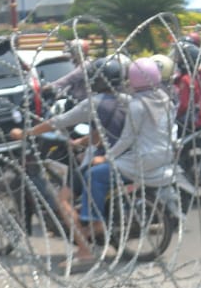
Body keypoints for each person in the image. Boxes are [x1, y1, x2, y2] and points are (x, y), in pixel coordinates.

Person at [9, 56, 128, 261]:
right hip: (125, 157)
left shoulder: (95, 103)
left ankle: (84, 250)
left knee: (63, 199)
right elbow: (107, 132)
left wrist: (26, 133)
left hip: (102, 158)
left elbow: (58, 121)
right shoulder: (128, 100)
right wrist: (82, 141)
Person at [81, 56, 175, 245]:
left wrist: (106, 158)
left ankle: (95, 220)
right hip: (165, 156)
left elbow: (127, 139)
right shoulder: (166, 101)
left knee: (94, 175)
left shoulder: (137, 105)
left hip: (142, 159)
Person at [171, 41, 201, 136]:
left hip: (194, 119)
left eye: (179, 57)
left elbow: (184, 105)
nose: (176, 60)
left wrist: (173, 115)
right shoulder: (198, 75)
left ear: (186, 60)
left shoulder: (186, 79)